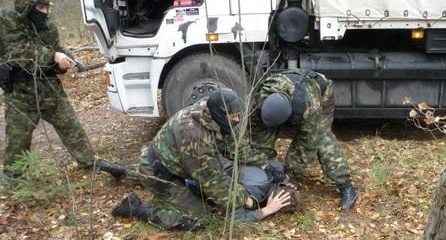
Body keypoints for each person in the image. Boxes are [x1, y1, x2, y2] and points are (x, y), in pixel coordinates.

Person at [98, 88, 296, 230]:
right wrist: (251, 203)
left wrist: (265, 165)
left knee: (159, 168)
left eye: (238, 115)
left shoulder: (212, 111)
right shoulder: (196, 139)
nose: (238, 120)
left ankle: (122, 170)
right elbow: (216, 185)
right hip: (163, 173)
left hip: (169, 159)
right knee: (198, 218)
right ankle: (135, 208)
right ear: (221, 114)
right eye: (234, 117)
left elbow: (238, 148)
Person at [0, 0, 95, 187]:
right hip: (20, 92)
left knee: (71, 127)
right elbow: (19, 51)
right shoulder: (7, 20)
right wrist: (53, 56)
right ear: (27, 6)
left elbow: (56, 50)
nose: (45, 12)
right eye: (40, 7)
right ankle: (13, 182)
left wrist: (65, 60)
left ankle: (89, 163)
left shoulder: (47, 26)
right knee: (18, 139)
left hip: (49, 89)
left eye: (46, 7)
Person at [250, 69, 357, 210]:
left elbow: (306, 146)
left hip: (319, 92)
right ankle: (264, 180)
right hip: (289, 88)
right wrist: (263, 165)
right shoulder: (261, 97)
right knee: (260, 140)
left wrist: (289, 175)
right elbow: (255, 131)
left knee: (323, 139)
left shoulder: (309, 108)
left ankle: (346, 186)